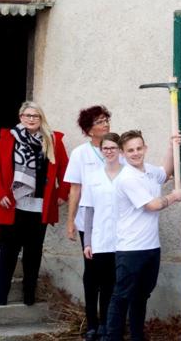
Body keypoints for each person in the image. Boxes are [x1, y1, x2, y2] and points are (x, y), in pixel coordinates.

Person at [104, 130, 181, 341]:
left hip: (151, 247)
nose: (136, 153)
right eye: (130, 150)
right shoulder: (127, 179)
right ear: (122, 153)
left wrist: (171, 146)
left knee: (141, 296)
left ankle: (137, 336)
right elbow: (152, 205)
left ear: (145, 148)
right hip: (130, 248)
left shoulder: (148, 171)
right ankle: (113, 337)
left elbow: (165, 172)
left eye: (139, 148)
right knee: (122, 296)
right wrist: (172, 197)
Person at [0, 101, 69, 306]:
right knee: (9, 250)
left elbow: (66, 171)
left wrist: (62, 194)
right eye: (28, 115)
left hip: (40, 206)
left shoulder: (53, 140)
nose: (31, 119)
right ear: (21, 117)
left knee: (33, 252)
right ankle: (2, 294)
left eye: (36, 116)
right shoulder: (8, 138)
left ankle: (29, 295)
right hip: (13, 204)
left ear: (41, 119)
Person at [65, 104, 114, 339]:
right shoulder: (80, 153)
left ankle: (106, 322)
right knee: (92, 271)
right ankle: (92, 324)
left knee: (109, 274)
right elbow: (75, 189)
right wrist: (71, 221)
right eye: (100, 122)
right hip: (89, 221)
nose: (105, 124)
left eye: (106, 120)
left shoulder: (116, 149)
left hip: (112, 222)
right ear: (89, 129)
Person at [80, 133, 123, 341]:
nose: (109, 151)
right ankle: (92, 325)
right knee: (93, 284)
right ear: (101, 151)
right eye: (105, 148)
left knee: (111, 286)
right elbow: (88, 211)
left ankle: (107, 325)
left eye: (113, 148)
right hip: (98, 240)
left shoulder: (127, 175)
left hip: (121, 241)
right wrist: (87, 241)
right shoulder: (94, 176)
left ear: (120, 150)